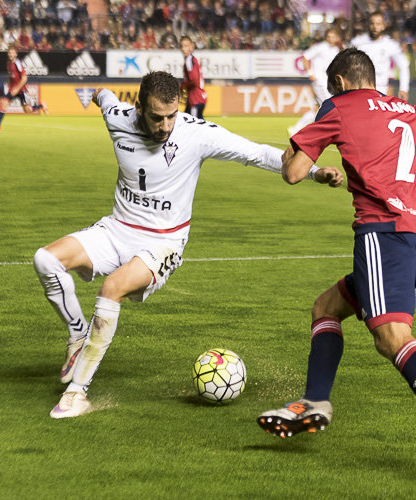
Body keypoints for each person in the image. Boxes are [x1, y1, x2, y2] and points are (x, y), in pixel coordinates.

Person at [256, 48, 416, 490]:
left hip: (382, 236)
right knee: (326, 307)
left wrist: (303, 139)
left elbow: (293, 172)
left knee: (391, 338)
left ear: (342, 83)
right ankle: (314, 402)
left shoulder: (339, 106)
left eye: (331, 89)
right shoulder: (415, 111)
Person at [35, 71, 343, 419]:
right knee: (45, 260)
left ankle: (78, 392)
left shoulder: (195, 132)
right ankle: (78, 335)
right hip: (117, 229)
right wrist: (94, 90)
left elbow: (256, 154)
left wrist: (315, 173)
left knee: (112, 288)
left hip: (162, 242)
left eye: (171, 115)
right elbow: (104, 95)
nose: (165, 125)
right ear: (139, 109)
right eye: (156, 117)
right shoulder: (118, 118)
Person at [288, 27, 342, 136]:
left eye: (333, 37)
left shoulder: (336, 50)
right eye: (329, 36)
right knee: (330, 105)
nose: (330, 39)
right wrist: (310, 73)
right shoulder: (320, 47)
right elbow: (305, 57)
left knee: (319, 108)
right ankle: (329, 131)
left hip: (328, 82)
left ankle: (296, 128)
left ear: (337, 38)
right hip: (320, 81)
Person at [350, 11, 410, 101]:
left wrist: (404, 89)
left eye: (378, 24)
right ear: (368, 25)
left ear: (383, 26)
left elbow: (404, 66)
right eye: (372, 23)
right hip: (359, 89)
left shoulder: (390, 45)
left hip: (381, 90)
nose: (375, 27)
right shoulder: (357, 42)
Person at [0, 47, 48, 132]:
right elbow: (11, 77)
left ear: (16, 54)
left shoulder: (18, 63)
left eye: (12, 53)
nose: (11, 54)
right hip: (13, 90)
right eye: (9, 53)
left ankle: (41, 105)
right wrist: (8, 86)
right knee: (4, 102)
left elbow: (24, 78)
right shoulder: (8, 64)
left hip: (21, 90)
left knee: (27, 110)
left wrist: (17, 89)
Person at [179, 35, 207, 119]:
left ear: (192, 47)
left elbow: (194, 81)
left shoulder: (189, 60)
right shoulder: (192, 59)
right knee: (185, 123)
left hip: (195, 99)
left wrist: (182, 85)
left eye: (186, 46)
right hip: (196, 98)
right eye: (182, 46)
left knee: (194, 126)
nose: (183, 49)